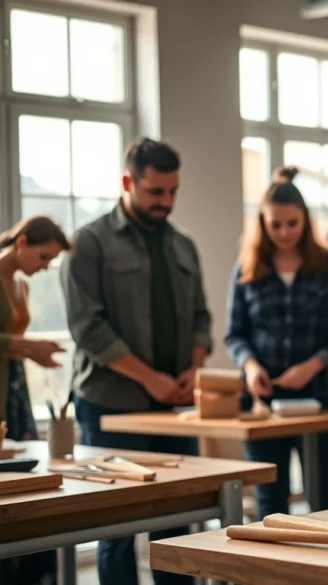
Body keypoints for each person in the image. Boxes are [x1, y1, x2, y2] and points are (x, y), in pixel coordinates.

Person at [61, 137, 213, 585]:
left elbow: (202, 317)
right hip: (111, 407)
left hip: (174, 409)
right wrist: (151, 380)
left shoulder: (184, 244)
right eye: (154, 192)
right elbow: (88, 328)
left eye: (172, 192)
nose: (165, 202)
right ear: (128, 182)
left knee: (177, 523)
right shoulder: (88, 244)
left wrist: (193, 369)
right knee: (116, 527)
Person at [224, 168, 328, 520]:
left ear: (306, 221)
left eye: (292, 223)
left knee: (326, 498)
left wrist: (313, 364)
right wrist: (250, 366)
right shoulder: (247, 268)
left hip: (323, 397)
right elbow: (234, 333)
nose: (284, 232)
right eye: (275, 224)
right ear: (262, 223)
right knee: (270, 502)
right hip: (264, 404)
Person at [0, 216, 69, 585]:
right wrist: (27, 346)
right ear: (22, 242)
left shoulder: (20, 285)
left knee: (25, 475)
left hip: (15, 389)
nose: (44, 267)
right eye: (43, 257)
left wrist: (33, 353)